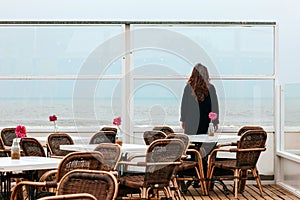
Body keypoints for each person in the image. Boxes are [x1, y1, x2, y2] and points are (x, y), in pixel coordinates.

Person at [180, 63, 219, 135]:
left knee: (191, 144)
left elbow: (184, 106)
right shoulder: (211, 88)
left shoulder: (188, 88)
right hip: (206, 122)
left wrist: (183, 120)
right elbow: (215, 107)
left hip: (190, 122)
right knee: (206, 143)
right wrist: (215, 122)